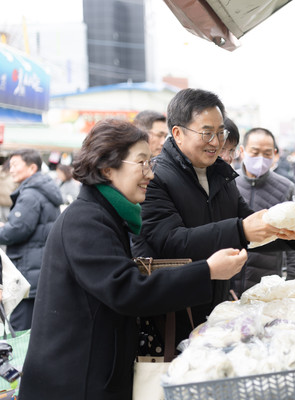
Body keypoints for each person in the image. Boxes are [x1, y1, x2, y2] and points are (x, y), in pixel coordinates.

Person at [19, 119, 247, 400]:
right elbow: (127, 290)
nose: (150, 174)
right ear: (107, 168)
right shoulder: (86, 220)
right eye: (142, 163)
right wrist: (208, 270)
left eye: (150, 163)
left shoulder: (106, 215)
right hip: (76, 382)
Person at [131, 88, 295, 346]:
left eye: (220, 132)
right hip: (172, 313)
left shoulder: (220, 175)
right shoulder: (155, 177)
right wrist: (241, 231)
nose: (216, 141)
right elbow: (170, 241)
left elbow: (248, 221)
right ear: (178, 133)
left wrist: (287, 232)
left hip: (216, 310)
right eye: (206, 133)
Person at [232, 127, 295, 296]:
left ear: (275, 154)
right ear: (242, 151)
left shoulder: (285, 188)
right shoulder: (228, 182)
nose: (261, 158)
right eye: (254, 152)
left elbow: (294, 237)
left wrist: (292, 279)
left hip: (266, 285)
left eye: (267, 153)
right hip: (229, 282)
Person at [0, 149, 62, 330]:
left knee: (22, 329)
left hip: (27, 270)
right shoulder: (43, 189)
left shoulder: (30, 194)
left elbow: (17, 231)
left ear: (32, 167)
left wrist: (4, 229)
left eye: (15, 165)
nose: (11, 170)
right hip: (39, 268)